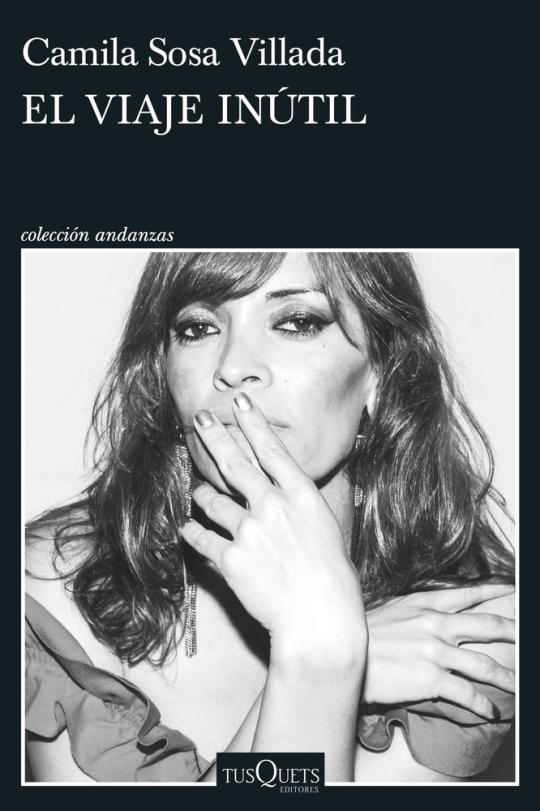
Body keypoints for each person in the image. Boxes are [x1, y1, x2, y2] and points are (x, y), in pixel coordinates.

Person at [25, 251, 515, 783]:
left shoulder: (470, 623)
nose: (233, 366)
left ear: (381, 370)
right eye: (198, 328)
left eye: (297, 322)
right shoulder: (55, 579)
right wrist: (325, 655)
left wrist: (317, 655)